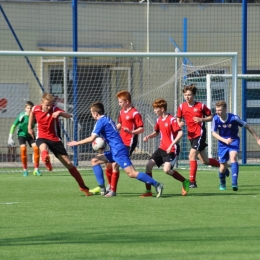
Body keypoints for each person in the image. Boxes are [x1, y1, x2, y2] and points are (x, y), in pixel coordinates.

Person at [67, 101, 164, 198]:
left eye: (91, 113)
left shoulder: (100, 122)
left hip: (119, 151)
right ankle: (102, 188)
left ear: (96, 113)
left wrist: (77, 143)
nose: (91, 115)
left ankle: (157, 184)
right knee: (95, 160)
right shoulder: (107, 119)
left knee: (131, 173)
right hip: (115, 150)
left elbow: (92, 138)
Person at [28, 93, 91, 196]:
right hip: (41, 137)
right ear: (41, 103)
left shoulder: (54, 109)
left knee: (69, 164)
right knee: (43, 147)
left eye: (50, 105)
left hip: (55, 139)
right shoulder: (36, 108)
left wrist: (59, 114)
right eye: (47, 105)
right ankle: (46, 160)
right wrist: (29, 127)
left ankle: (82, 186)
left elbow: (68, 115)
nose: (49, 107)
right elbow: (32, 113)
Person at [89, 90, 145, 197]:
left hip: (129, 142)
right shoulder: (121, 112)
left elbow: (141, 129)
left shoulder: (135, 113)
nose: (119, 104)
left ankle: (112, 190)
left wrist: (131, 132)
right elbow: (118, 125)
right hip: (119, 141)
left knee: (115, 165)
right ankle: (110, 186)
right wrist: (109, 135)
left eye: (120, 102)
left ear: (127, 101)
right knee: (108, 165)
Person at [176, 84, 221, 188]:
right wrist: (179, 123)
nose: (187, 97)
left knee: (191, 155)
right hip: (191, 135)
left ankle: (192, 182)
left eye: (189, 95)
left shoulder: (200, 106)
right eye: (185, 95)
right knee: (205, 161)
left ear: (194, 95)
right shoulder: (181, 107)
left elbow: (211, 116)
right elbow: (178, 119)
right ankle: (222, 166)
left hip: (200, 133)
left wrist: (202, 119)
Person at [143, 98, 190, 196]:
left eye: (156, 108)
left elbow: (180, 133)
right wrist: (148, 136)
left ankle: (185, 181)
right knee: (148, 166)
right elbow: (156, 132)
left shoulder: (172, 120)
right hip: (161, 148)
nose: (154, 110)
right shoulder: (158, 120)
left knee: (167, 170)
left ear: (162, 109)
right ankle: (148, 192)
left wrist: (171, 145)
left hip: (171, 149)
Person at [212, 100, 260, 191]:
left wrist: (257, 138)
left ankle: (234, 183)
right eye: (217, 110)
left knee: (233, 157)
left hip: (233, 141)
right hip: (222, 143)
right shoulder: (215, 119)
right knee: (222, 168)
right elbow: (214, 133)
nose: (218, 112)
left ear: (225, 110)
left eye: (220, 110)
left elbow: (248, 126)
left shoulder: (234, 118)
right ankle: (222, 182)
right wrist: (225, 140)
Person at [8, 101, 41, 177]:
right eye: (28, 108)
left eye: (31, 108)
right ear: (25, 109)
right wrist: (10, 137)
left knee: (36, 149)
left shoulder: (34, 116)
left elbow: (40, 124)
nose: (29, 109)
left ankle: (36, 169)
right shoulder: (21, 116)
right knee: (23, 149)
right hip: (21, 135)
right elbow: (13, 125)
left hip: (30, 135)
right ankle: (25, 170)